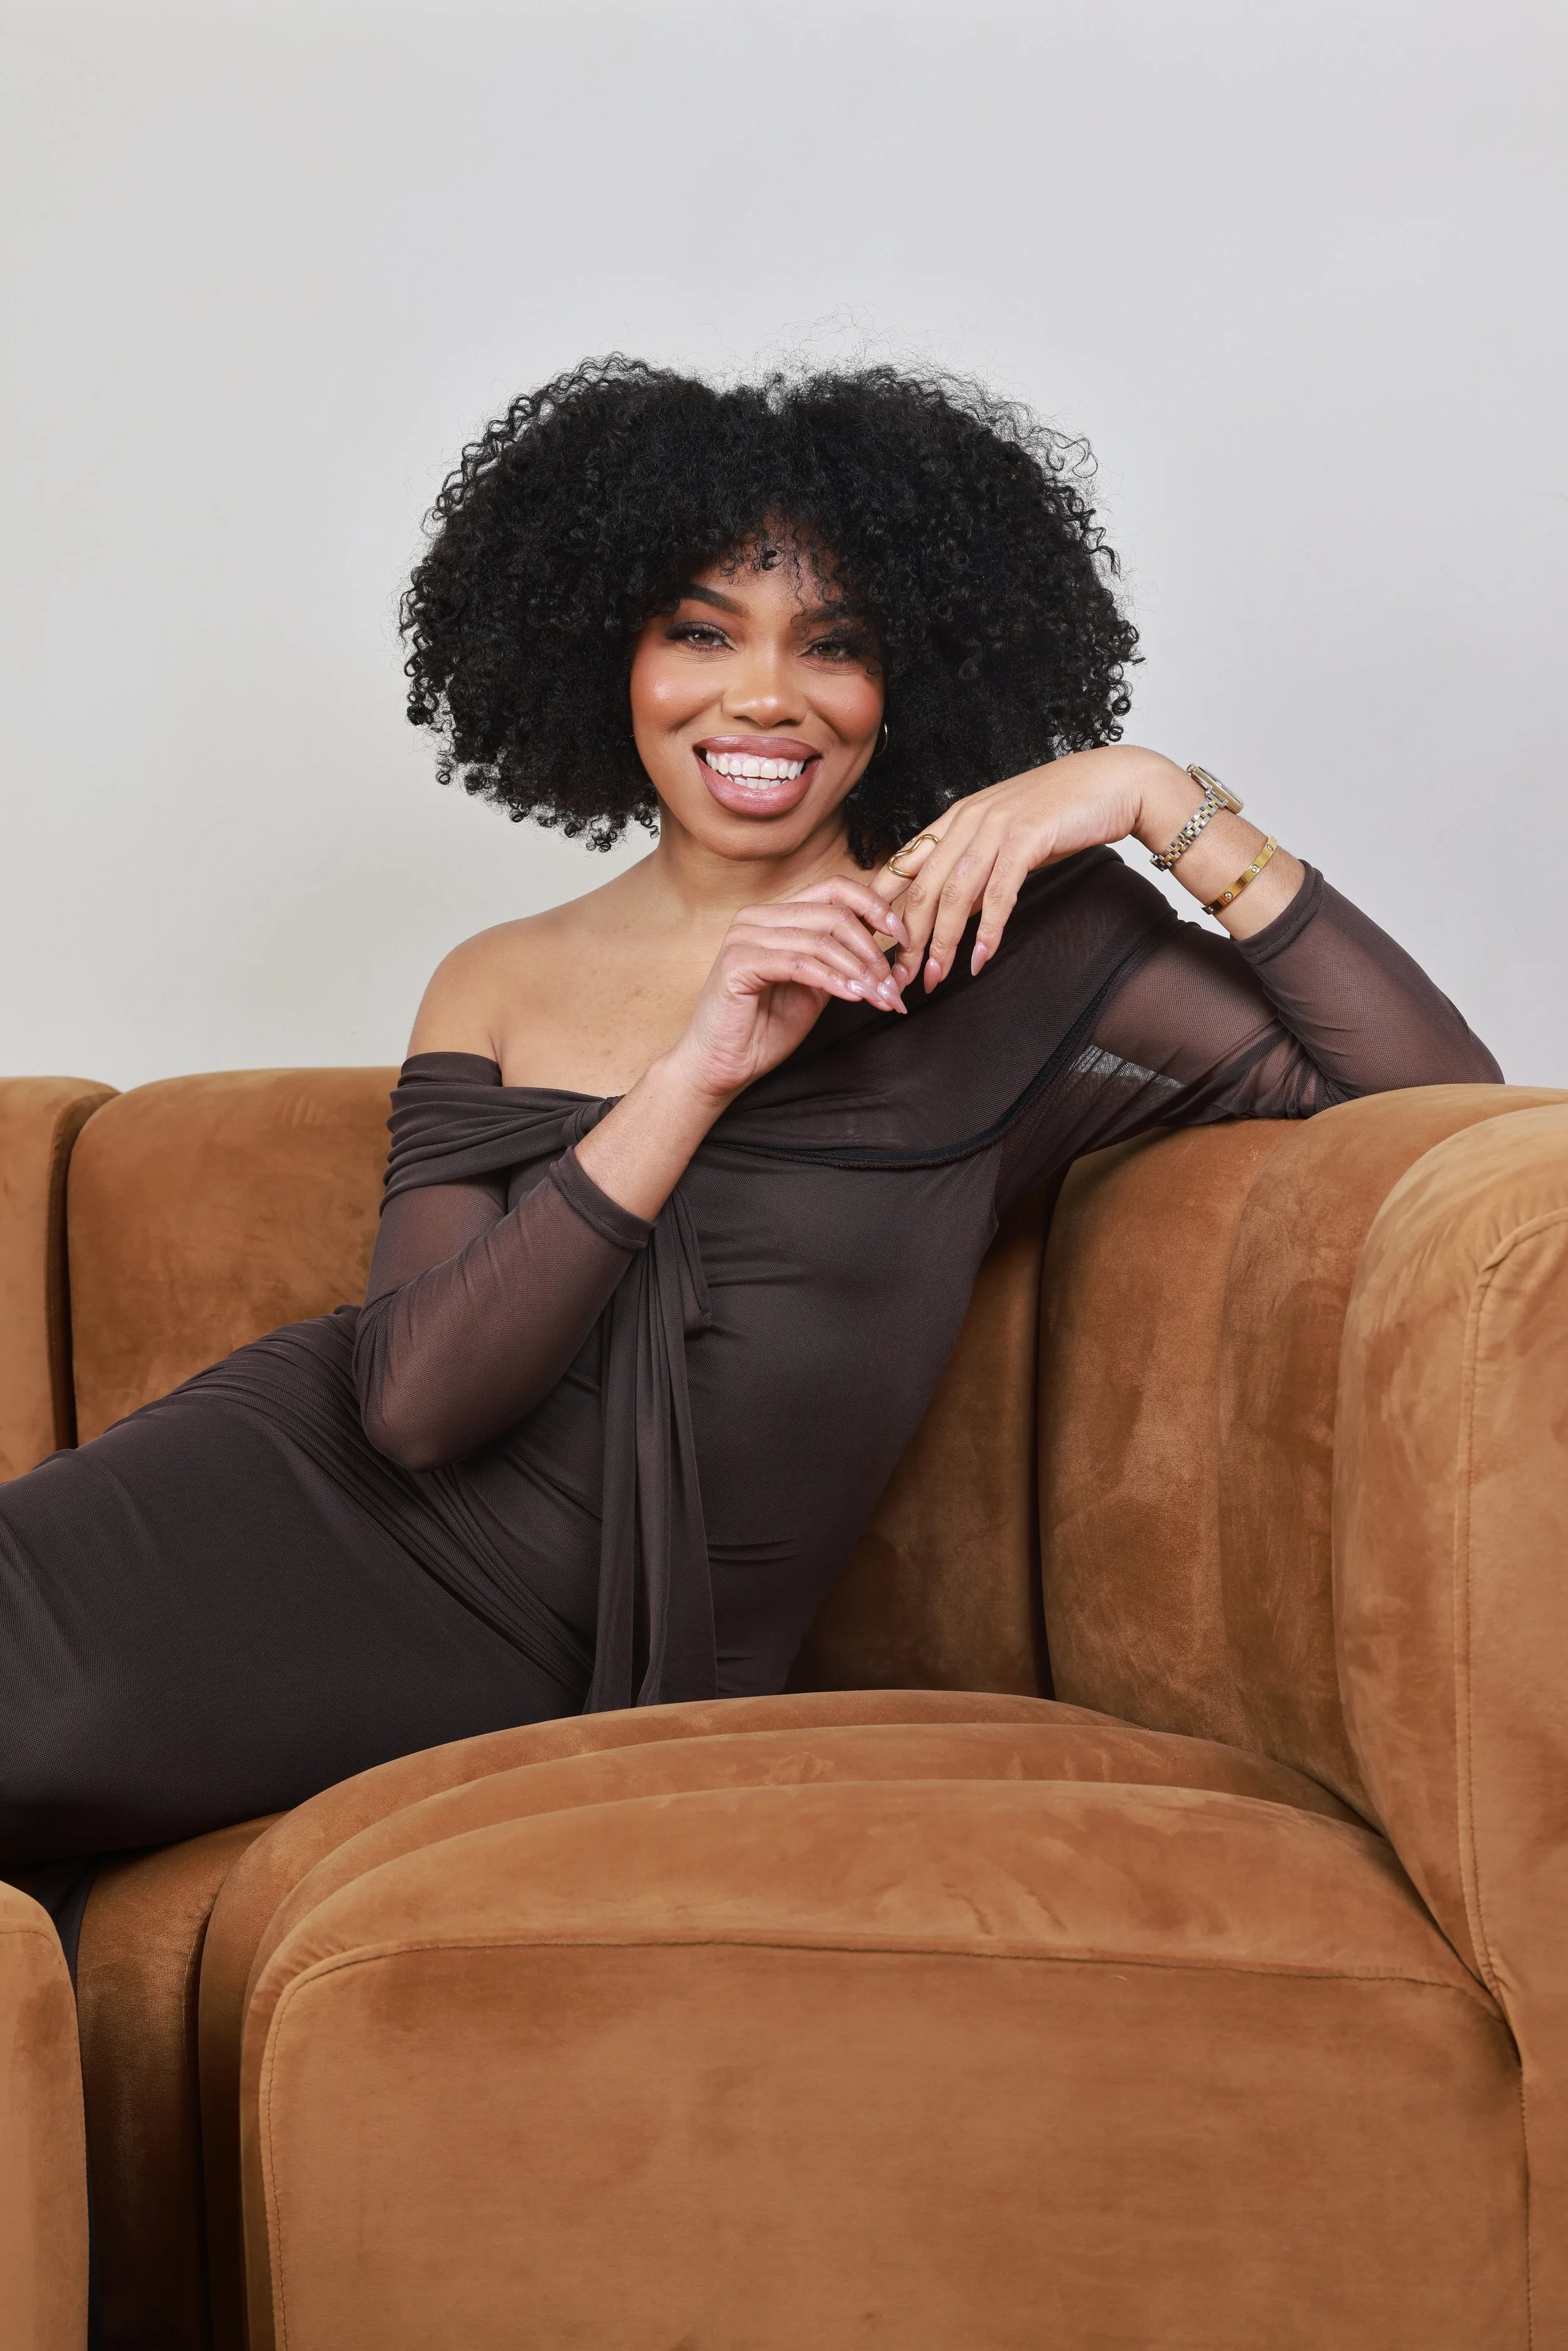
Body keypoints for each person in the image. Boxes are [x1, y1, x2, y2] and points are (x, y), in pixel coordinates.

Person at [1, 359, 1500, 1951]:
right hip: (255, 1506)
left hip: (532, 1647)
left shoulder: (1021, 957)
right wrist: (700, 1063)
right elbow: (415, 1398)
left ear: (907, 680)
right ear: (611, 658)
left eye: (832, 642)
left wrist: (1155, 796)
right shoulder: (498, 975)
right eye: (702, 630)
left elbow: (1430, 1099)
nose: (765, 694)